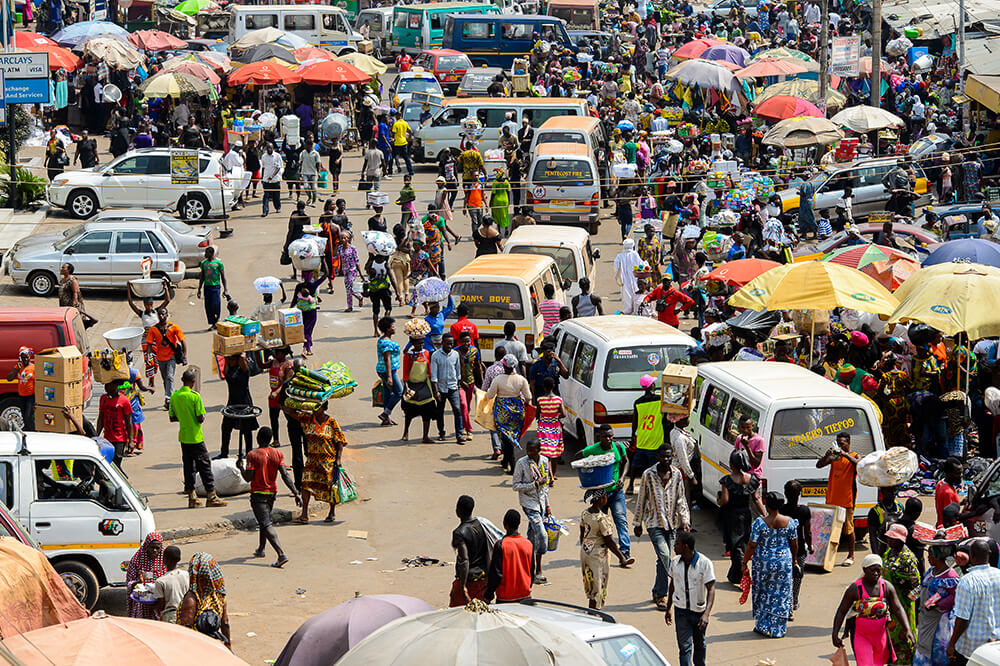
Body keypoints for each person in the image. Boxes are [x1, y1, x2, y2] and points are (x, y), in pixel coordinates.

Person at [634, 443, 690, 611]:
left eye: (669, 456)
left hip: (672, 524)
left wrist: (685, 520)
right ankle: (664, 594)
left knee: (662, 559)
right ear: (657, 457)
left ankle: (657, 591)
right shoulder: (648, 475)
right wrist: (637, 522)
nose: (666, 459)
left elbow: (681, 499)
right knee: (665, 556)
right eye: (663, 456)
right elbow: (641, 498)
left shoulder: (677, 475)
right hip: (654, 522)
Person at [237, 427, 299, 568]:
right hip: (272, 493)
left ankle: (281, 554)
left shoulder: (252, 455)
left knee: (265, 523)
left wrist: (240, 468)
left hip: (258, 494)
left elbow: (248, 478)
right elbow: (285, 475)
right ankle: (261, 549)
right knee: (264, 520)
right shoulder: (278, 453)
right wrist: (295, 492)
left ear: (258, 438)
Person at [741, 491, 798, 638]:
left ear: (766, 503)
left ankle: (763, 626)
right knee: (781, 594)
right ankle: (778, 629)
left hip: (763, 564)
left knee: (763, 592)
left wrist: (744, 562)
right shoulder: (790, 522)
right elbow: (794, 544)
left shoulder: (759, 523)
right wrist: (794, 560)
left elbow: (751, 545)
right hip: (784, 563)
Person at [169, 369, 226, 508]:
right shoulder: (195, 397)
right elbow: (200, 418)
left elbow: (172, 417)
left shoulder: (175, 396)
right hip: (196, 437)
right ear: (193, 382)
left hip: (183, 437)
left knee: (188, 467)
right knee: (205, 466)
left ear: (182, 380)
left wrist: (184, 417)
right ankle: (211, 496)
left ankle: (192, 496)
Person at [287, 401, 344, 524]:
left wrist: (338, 459)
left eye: (317, 407)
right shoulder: (307, 419)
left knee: (330, 486)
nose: (314, 410)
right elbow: (291, 412)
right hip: (312, 459)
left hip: (328, 460)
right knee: (305, 485)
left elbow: (340, 441)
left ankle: (331, 511)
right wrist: (300, 402)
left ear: (323, 408)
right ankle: (304, 514)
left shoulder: (331, 422)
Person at [580, 423, 631, 559]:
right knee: (600, 524)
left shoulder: (619, 447)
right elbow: (578, 458)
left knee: (621, 519)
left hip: (616, 491)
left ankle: (625, 551)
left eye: (611, 437)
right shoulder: (592, 450)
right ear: (599, 437)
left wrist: (622, 477)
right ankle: (601, 549)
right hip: (600, 494)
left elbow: (626, 462)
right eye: (605, 437)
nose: (608, 440)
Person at [665, 530, 715, 666]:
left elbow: (711, 589)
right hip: (681, 612)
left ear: (685, 546)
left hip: (699, 613)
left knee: (700, 645)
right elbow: (672, 585)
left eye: (677, 544)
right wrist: (668, 607)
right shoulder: (675, 563)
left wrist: (706, 614)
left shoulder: (705, 563)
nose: (674, 547)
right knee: (685, 648)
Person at [580, 487, 634, 609]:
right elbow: (609, 541)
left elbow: (581, 534)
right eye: (605, 496)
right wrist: (621, 557)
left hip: (585, 552)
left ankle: (591, 609)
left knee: (591, 582)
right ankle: (594, 612)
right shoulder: (602, 518)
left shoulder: (585, 513)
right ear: (600, 499)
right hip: (598, 555)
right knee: (599, 584)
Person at [948, 539, 1000, 663]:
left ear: (971, 556)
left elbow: (962, 619)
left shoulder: (967, 581)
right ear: (989, 554)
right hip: (995, 646)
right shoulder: (998, 575)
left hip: (971, 648)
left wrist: (952, 644)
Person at [719, 448, 763, 584]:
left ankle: (741, 574)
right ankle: (734, 575)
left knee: (735, 547)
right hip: (746, 515)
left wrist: (718, 501)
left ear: (732, 464)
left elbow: (724, 500)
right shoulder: (752, 479)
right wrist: (765, 515)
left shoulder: (727, 480)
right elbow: (756, 498)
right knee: (742, 544)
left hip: (732, 516)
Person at [914, 540, 960, 666]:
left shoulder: (950, 576)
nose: (928, 558)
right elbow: (923, 586)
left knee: (937, 651)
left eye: (930, 555)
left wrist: (939, 605)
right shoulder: (931, 571)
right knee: (923, 649)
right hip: (925, 618)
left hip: (940, 622)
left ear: (937, 556)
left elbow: (956, 596)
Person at [512, 439, 552, 584]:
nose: (528, 453)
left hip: (541, 502)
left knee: (532, 535)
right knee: (541, 534)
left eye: (531, 450)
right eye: (527, 450)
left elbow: (545, 486)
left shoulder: (545, 461)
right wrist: (534, 484)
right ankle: (539, 570)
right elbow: (516, 486)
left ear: (538, 450)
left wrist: (547, 506)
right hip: (529, 503)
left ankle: (528, 569)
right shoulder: (521, 463)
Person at [817, 432, 859, 566]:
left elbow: (859, 464)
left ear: (848, 443)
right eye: (838, 443)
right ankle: (827, 557)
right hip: (832, 498)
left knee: (849, 529)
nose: (840, 446)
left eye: (842, 443)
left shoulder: (853, 455)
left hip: (847, 499)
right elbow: (819, 465)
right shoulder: (834, 457)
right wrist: (827, 455)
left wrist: (845, 454)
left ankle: (851, 556)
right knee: (828, 530)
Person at [486, 354, 532, 473]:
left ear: (504, 366)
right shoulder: (521, 380)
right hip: (517, 411)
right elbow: (528, 397)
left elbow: (489, 395)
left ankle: (512, 464)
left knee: (506, 439)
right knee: (511, 437)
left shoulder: (498, 379)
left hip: (502, 411)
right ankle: (505, 461)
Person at [882, 522, 921, 663]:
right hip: (888, 607)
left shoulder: (908, 559)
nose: (889, 540)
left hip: (902, 607)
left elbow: (917, 587)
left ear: (901, 540)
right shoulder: (889, 552)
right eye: (888, 538)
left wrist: (907, 602)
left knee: (903, 641)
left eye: (892, 538)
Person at [629, 373, 669, 495]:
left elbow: (634, 421)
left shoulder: (638, 402)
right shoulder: (660, 400)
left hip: (642, 438)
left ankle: (630, 485)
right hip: (656, 438)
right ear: (652, 385)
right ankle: (654, 488)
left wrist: (633, 435)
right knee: (655, 466)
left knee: (635, 464)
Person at [178, 552, 229, 646]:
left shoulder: (192, 598)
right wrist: (228, 645)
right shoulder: (219, 595)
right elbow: (225, 623)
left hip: (196, 646)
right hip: (213, 644)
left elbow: (185, 628)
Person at [485, 509, 535, 603]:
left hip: (505, 597)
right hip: (525, 595)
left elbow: (496, 574)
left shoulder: (501, 545)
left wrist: (488, 594)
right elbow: (532, 571)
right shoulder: (528, 544)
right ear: (519, 524)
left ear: (505, 524)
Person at [451, 495, 491, 606]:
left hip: (469, 579)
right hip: (483, 578)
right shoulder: (481, 525)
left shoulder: (459, 532)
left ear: (458, 510)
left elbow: (464, 560)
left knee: (457, 612)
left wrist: (463, 586)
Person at [217, 354, 258, 459]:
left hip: (244, 403)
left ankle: (249, 453)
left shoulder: (244, 371)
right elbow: (225, 368)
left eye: (233, 359)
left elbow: (243, 360)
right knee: (225, 428)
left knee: (246, 431)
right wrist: (226, 356)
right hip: (232, 403)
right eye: (229, 359)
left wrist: (240, 353)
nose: (231, 361)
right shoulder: (229, 371)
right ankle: (224, 453)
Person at [781, 480, 812, 617]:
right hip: (799, 550)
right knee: (798, 576)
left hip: (783, 549)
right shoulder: (804, 510)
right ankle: (794, 601)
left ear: (785, 493)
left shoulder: (781, 510)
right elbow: (808, 532)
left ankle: (787, 603)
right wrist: (810, 546)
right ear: (799, 494)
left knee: (785, 577)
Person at [145, 307, 186, 408]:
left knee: (170, 377)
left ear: (167, 315)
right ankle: (169, 398)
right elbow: (149, 344)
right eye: (159, 314)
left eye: (163, 314)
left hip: (171, 356)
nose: (162, 316)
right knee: (165, 378)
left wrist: (185, 356)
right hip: (160, 358)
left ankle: (168, 398)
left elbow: (183, 341)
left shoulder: (174, 327)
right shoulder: (153, 329)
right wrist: (149, 354)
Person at [431, 333, 463, 444]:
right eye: (448, 343)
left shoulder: (455, 354)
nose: (450, 346)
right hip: (441, 388)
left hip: (453, 387)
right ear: (443, 343)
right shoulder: (435, 355)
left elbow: (458, 370)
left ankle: (459, 434)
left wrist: (458, 383)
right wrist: (436, 392)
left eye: (451, 344)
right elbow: (434, 376)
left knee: (457, 410)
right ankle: (441, 433)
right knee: (440, 412)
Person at [126, 532, 165, 620]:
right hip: (142, 603)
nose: (154, 550)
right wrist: (137, 582)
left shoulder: (164, 562)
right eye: (152, 547)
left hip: (159, 603)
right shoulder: (136, 562)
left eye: (157, 548)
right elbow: (129, 582)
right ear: (146, 547)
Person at [97, 381, 133, 470]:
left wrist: (131, 441)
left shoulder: (124, 401)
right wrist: (96, 436)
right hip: (107, 439)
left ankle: (122, 481)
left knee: (116, 465)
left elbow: (129, 422)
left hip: (119, 439)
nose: (106, 387)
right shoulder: (103, 399)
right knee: (108, 465)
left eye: (108, 385)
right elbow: (100, 418)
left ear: (115, 385)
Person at [535, 377, 565, 477]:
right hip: (555, 427)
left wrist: (544, 417)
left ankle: (547, 473)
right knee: (554, 452)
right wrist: (555, 416)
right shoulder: (558, 399)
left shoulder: (540, 400)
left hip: (543, 427)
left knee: (544, 452)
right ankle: (554, 474)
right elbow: (563, 414)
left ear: (544, 387)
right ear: (553, 386)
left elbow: (537, 414)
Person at [376, 317, 403, 427]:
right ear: (387, 329)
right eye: (392, 326)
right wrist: (390, 377)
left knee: (388, 394)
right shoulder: (386, 343)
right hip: (388, 371)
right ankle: (385, 413)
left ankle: (386, 419)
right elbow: (387, 359)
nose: (394, 328)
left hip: (385, 370)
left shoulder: (383, 340)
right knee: (399, 392)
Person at [152, 545, 188, 623]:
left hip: (170, 616)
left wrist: (150, 606)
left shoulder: (160, 581)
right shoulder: (186, 575)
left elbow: (161, 604)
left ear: (165, 560)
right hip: (185, 613)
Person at [58, 263, 96, 327]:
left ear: (68, 270)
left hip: (72, 304)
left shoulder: (73, 280)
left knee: (77, 322)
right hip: (64, 304)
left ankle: (91, 321)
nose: (61, 269)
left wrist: (74, 304)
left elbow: (75, 293)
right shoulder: (62, 280)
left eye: (63, 268)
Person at [6, 347, 35, 429]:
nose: (25, 359)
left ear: (30, 357)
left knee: (28, 416)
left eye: (27, 357)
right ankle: (28, 430)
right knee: (23, 415)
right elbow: (9, 378)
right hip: (21, 395)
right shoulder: (18, 366)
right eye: (23, 357)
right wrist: (17, 370)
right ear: (20, 358)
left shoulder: (33, 367)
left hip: (31, 396)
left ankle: (32, 431)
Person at [614, 238, 644, 314]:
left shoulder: (619, 256)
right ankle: (635, 310)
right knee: (635, 293)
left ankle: (627, 311)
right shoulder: (635, 254)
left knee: (626, 295)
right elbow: (641, 265)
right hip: (635, 279)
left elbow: (616, 268)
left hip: (624, 280)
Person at [936, 457, 964, 527]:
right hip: (948, 528)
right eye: (958, 473)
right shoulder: (948, 493)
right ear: (948, 473)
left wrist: (959, 503)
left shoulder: (940, 483)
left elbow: (945, 505)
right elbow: (950, 517)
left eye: (961, 473)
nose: (961, 476)